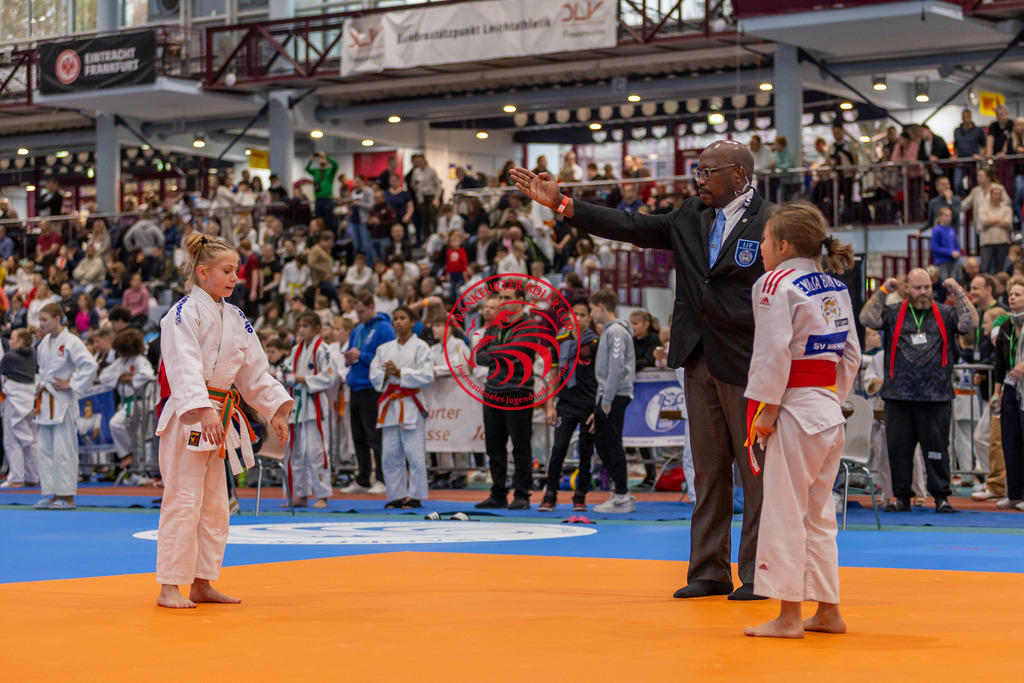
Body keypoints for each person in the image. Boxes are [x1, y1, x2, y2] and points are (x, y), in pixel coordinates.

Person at [510, 139, 771, 600]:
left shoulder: (772, 221)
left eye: (707, 172)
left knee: (756, 473)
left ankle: (759, 574)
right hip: (697, 357)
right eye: (697, 171)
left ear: (739, 175)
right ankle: (708, 571)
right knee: (708, 471)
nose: (698, 180)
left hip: (748, 359)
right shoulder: (692, 214)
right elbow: (629, 225)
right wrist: (564, 203)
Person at [742, 201, 861, 638]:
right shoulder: (834, 285)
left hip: (793, 407)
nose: (760, 249)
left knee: (783, 512)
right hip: (828, 408)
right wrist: (831, 398)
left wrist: (766, 413)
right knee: (819, 514)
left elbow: (771, 352)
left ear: (784, 244)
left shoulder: (774, 283)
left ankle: (789, 615)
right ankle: (828, 610)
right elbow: (851, 354)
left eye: (765, 241)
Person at [154, 233, 292, 609]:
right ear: (202, 273)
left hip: (221, 418)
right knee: (183, 502)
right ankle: (170, 585)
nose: (235, 278)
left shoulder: (235, 317)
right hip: (190, 419)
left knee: (215, 504)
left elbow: (254, 373)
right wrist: (201, 409)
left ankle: (202, 582)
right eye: (227, 271)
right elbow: (182, 367)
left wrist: (275, 408)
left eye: (237, 272)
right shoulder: (183, 313)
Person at [859, 268, 978, 513]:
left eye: (926, 287)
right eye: (917, 287)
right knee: (899, 451)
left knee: (937, 451)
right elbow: (866, 320)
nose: (922, 292)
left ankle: (941, 498)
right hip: (898, 396)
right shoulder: (892, 313)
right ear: (906, 289)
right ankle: (901, 497)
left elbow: (970, 323)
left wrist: (957, 291)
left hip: (936, 396)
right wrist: (882, 291)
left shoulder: (945, 313)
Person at [474, 282, 545, 510]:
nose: (503, 302)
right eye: (501, 298)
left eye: (507, 298)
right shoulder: (495, 326)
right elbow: (478, 355)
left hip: (518, 391)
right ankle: (498, 494)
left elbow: (515, 355)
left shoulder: (529, 326)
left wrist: (495, 354)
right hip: (492, 390)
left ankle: (522, 494)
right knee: (494, 447)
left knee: (520, 446)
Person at [33, 302, 99, 510]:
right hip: (46, 402)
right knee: (45, 450)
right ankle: (51, 494)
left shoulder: (71, 341)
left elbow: (90, 365)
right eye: (40, 320)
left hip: (63, 402)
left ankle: (67, 496)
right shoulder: (44, 343)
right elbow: (43, 370)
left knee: (64, 450)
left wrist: (72, 383)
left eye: (45, 320)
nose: (41, 324)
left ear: (58, 318)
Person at [370, 306, 434, 509]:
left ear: (412, 322)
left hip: (411, 404)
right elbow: (374, 376)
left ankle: (415, 496)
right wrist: (387, 375)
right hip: (390, 406)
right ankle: (396, 496)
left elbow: (427, 376)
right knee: (389, 455)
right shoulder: (384, 349)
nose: (398, 322)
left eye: (403, 318)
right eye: (395, 318)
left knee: (414, 454)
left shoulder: (422, 347)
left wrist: (400, 373)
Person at [539, 297, 598, 511]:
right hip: (565, 404)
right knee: (559, 449)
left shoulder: (595, 342)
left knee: (585, 452)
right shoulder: (560, 340)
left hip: (589, 406)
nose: (579, 318)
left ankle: (580, 496)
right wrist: (549, 406)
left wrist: (596, 409)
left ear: (590, 317)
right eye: (575, 314)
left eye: (583, 314)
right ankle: (549, 495)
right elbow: (553, 374)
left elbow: (601, 377)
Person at [588, 288, 637, 513]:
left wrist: (606, 399)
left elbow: (616, 367)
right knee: (603, 443)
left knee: (611, 444)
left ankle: (622, 496)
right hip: (609, 394)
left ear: (600, 306)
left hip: (615, 395)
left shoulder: (616, 332)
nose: (590, 315)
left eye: (591, 309)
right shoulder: (610, 332)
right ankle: (620, 493)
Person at [340, 290, 395, 494]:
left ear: (372, 307)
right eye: (357, 312)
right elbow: (354, 353)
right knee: (358, 436)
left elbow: (387, 360)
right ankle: (363, 478)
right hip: (355, 385)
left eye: (362, 311)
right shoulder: (357, 330)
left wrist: (361, 355)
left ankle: (381, 478)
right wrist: (349, 357)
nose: (359, 316)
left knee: (375, 435)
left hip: (373, 388)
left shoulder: (385, 329)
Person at [282, 312, 335, 508]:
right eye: (300, 326)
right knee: (296, 452)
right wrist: (281, 375)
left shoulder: (323, 349)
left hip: (315, 405)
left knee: (317, 451)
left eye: (306, 326)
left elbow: (329, 377)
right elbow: (286, 371)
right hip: (297, 405)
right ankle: (300, 495)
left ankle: (322, 495)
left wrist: (302, 379)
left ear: (316, 329)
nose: (302, 329)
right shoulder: (295, 350)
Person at [99, 328, 155, 474]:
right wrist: (118, 377)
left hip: (139, 403)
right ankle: (132, 461)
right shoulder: (120, 361)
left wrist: (131, 378)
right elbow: (104, 376)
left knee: (122, 427)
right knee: (131, 434)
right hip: (126, 403)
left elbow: (148, 375)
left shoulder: (139, 360)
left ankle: (140, 468)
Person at [991, 279, 1024, 511]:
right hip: (1010, 390)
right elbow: (1000, 363)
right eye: (1011, 294)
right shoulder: (1006, 327)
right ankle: (1013, 494)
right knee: (1010, 442)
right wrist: (997, 393)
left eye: (1018, 295)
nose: (1012, 298)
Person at [0, 329, 39, 488]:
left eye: (13, 338)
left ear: (22, 340)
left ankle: (16, 478)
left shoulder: (10, 356)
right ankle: (32, 477)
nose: (10, 341)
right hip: (30, 398)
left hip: (15, 398)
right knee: (32, 440)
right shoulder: (35, 354)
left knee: (12, 440)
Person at [307, 151, 339, 233]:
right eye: (320, 159)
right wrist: (312, 160)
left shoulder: (330, 171)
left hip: (327, 199)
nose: (321, 160)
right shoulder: (316, 171)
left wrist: (326, 156)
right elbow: (307, 169)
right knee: (318, 220)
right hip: (318, 199)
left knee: (328, 220)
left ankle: (329, 235)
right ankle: (319, 235)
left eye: (323, 159)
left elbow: (336, 165)